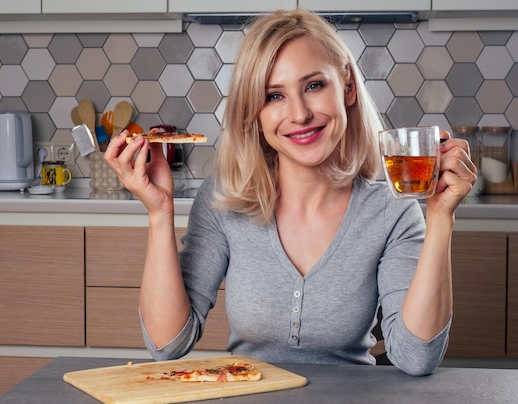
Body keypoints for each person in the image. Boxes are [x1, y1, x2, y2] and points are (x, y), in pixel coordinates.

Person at [104, 9, 477, 376]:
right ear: (254, 112)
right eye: (273, 96)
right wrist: (159, 213)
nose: (299, 114)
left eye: (314, 86)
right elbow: (167, 344)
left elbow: (416, 358)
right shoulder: (225, 201)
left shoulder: (391, 213)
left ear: (346, 88)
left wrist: (441, 218)